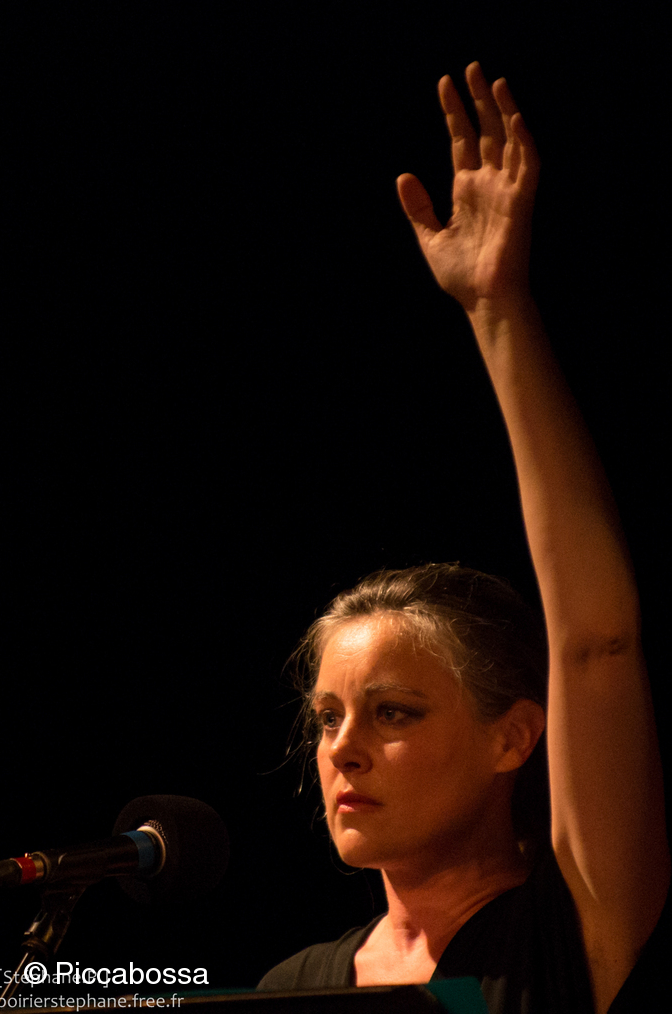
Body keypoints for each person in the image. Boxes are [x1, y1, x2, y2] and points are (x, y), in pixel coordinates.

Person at [256, 62, 670, 1013]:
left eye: (394, 713)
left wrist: (496, 311)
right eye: (328, 717)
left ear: (514, 737)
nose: (343, 750)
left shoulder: (574, 932)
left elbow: (597, 642)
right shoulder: (288, 987)